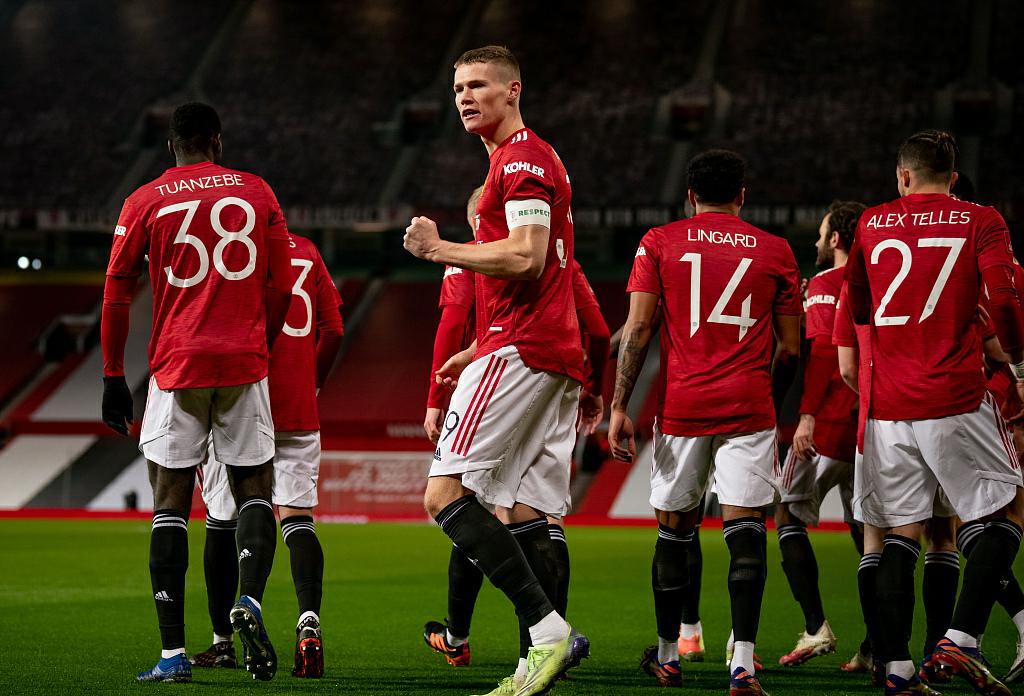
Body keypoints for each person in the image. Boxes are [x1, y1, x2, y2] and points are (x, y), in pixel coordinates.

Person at [402, 45, 591, 696]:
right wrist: (478, 346)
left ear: (513, 91)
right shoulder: (519, 161)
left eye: (479, 85)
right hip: (544, 351)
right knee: (529, 511)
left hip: (525, 349)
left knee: (444, 495)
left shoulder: (523, 159)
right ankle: (534, 658)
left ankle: (547, 632)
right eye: (458, 88)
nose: (465, 96)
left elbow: (529, 259)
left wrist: (439, 249)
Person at [100, 102, 293, 682]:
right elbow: (281, 285)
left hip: (177, 363)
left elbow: (116, 291)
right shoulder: (257, 190)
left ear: (171, 146)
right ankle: (249, 599)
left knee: (171, 502)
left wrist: (112, 375)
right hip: (243, 361)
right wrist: (260, 345)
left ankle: (172, 656)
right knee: (254, 489)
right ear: (217, 141)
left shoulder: (145, 200)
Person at [608, 149, 802, 695]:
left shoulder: (659, 242)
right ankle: (743, 664)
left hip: (683, 408)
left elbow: (638, 329)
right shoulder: (777, 250)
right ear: (742, 194)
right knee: (747, 535)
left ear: (690, 195)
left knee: (673, 532)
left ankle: (669, 655)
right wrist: (766, 402)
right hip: (748, 409)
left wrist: (620, 405)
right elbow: (790, 349)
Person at [844, 129, 1024, 696]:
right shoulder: (980, 219)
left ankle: (898, 670)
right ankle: (961, 639)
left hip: (888, 405)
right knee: (1008, 509)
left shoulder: (871, 222)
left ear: (903, 176)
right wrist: (1018, 364)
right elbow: (1005, 297)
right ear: (953, 176)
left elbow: (860, 308)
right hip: (954, 395)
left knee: (900, 533)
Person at [421, 189, 609, 671]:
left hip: (510, 368)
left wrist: (436, 398)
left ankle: (472, 635)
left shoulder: (476, 256)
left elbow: (452, 323)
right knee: (538, 513)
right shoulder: (562, 259)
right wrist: (595, 389)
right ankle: (538, 654)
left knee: (460, 499)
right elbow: (599, 332)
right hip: (561, 378)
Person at [192, 232, 344, 678]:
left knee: (223, 519)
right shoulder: (309, 251)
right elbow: (334, 330)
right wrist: (313, 383)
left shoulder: (237, 250)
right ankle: (308, 622)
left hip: (241, 399)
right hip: (299, 404)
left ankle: (223, 642)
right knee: (298, 518)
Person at [775, 201, 865, 667]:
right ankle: (878, 646)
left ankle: (815, 628)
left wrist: (806, 415)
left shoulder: (829, 283)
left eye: (821, 232)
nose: (815, 240)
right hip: (870, 425)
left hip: (827, 422)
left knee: (787, 514)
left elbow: (827, 353)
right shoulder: (875, 280)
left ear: (835, 239)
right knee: (869, 533)